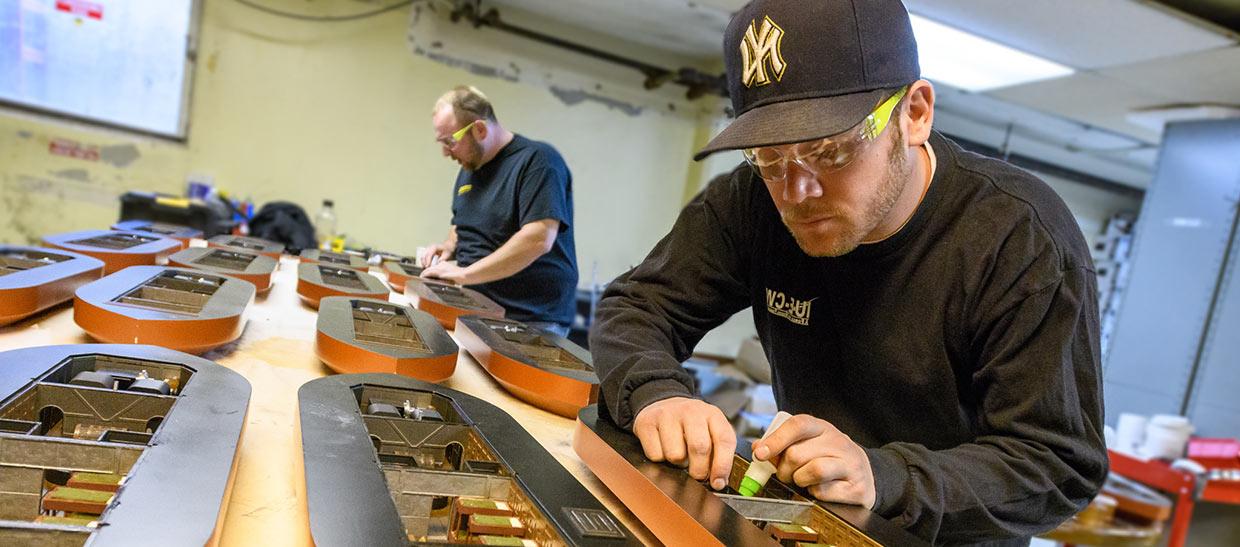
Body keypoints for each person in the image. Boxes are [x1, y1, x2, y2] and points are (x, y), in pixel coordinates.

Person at [588, 1, 1107, 544]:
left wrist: (882, 478)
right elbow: (637, 306)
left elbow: (1057, 463)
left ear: (914, 114)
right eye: (768, 159)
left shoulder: (1020, 239)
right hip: (798, 523)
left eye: (830, 152)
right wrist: (656, 392)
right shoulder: (750, 204)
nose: (796, 192)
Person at [420, 86, 578, 337]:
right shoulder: (469, 169)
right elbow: (461, 222)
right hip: (477, 305)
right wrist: (449, 245)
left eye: (450, 141)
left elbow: (538, 238)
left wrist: (465, 274)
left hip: (528, 320)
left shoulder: (538, 161)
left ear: (480, 129)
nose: (445, 152)